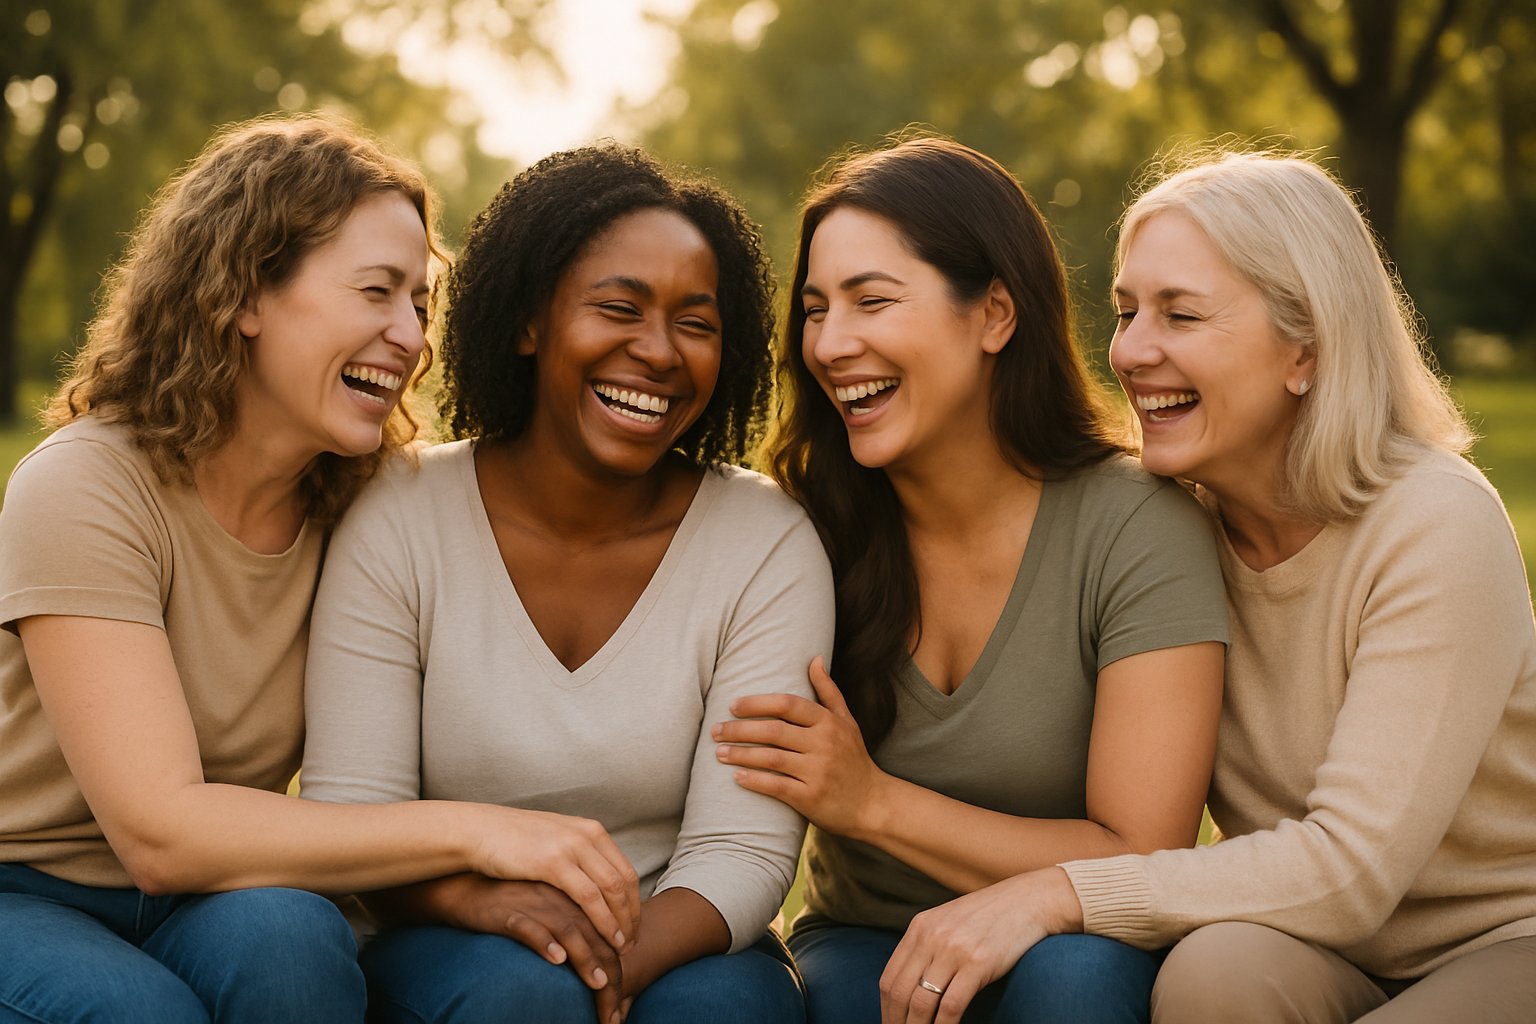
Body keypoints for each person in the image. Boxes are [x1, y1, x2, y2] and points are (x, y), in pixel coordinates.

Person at [0, 115, 645, 1024]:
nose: (409, 334)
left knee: (296, 947)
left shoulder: (368, 498)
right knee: (137, 1013)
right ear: (243, 295)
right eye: (376, 291)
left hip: (220, 893)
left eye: (419, 302)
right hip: (26, 889)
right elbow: (160, 834)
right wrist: (484, 832)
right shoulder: (86, 486)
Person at [878, 150, 1536, 1024]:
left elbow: (1349, 872)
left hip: (1502, 938)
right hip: (1311, 945)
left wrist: (1053, 894)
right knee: (1209, 976)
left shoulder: (1435, 524)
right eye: (1124, 312)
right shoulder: (1163, 530)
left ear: (1305, 348)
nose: (1131, 351)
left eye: (1180, 314)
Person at [299, 142, 833, 1024]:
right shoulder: (398, 514)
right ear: (528, 321)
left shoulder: (765, 542)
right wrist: (477, 901)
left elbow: (740, 848)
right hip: (436, 923)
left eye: (696, 324)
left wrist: (607, 968)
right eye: (618, 308)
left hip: (684, 934)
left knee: (726, 1014)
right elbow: (356, 813)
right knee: (520, 1001)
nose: (659, 351)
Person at [707, 136, 1228, 1024]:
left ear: (994, 315)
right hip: (866, 941)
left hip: (1074, 942)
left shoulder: (1138, 526)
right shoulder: (800, 530)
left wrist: (871, 803)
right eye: (816, 309)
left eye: (873, 300)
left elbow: (1140, 851)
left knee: (1078, 986)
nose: (832, 344)